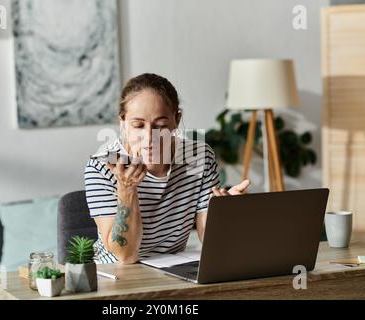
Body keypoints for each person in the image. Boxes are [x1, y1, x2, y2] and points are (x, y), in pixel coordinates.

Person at [84, 73, 250, 264]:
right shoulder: (102, 166)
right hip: (117, 273)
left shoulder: (198, 158)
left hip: (172, 268)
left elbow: (208, 237)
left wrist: (227, 212)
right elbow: (126, 255)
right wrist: (126, 190)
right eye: (138, 125)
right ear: (122, 123)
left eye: (161, 125)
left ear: (177, 120)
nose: (149, 137)